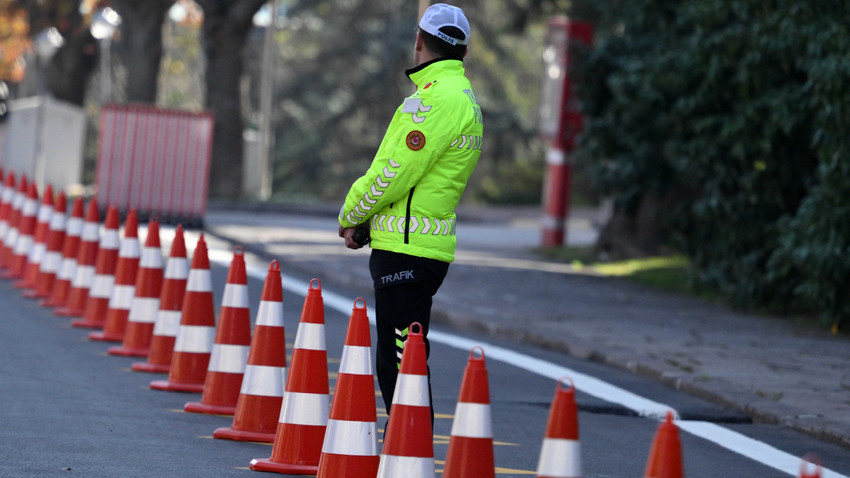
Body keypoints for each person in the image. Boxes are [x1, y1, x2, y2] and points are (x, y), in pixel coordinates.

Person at [337, 3, 483, 421]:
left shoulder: (436, 101)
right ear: (464, 52)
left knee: (402, 368)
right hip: (419, 247)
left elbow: (393, 173)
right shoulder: (460, 98)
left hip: (408, 251)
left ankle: (409, 459)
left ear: (419, 41)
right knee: (402, 363)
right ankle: (406, 456)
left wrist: (351, 213)